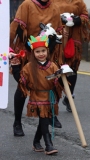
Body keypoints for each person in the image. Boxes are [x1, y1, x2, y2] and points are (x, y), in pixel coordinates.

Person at [9, 0, 63, 136]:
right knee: (22, 86)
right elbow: (16, 29)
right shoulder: (27, 5)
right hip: (28, 52)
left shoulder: (55, 7)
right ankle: (17, 122)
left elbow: (59, 32)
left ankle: (50, 114)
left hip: (47, 53)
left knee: (50, 84)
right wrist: (10, 49)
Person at [9, 35, 63, 155]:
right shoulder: (28, 67)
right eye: (37, 52)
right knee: (44, 119)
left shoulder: (53, 65)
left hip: (49, 96)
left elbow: (57, 82)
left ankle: (36, 142)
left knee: (44, 120)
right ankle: (49, 145)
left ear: (47, 51)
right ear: (33, 53)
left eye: (43, 51)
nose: (41, 54)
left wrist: (61, 76)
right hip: (37, 96)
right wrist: (16, 68)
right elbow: (21, 81)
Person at [53, 0, 90, 112]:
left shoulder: (78, 2)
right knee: (57, 68)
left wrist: (77, 20)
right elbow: (48, 16)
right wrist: (59, 27)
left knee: (72, 68)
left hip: (73, 40)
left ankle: (69, 97)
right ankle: (54, 98)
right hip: (58, 39)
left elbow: (85, 16)